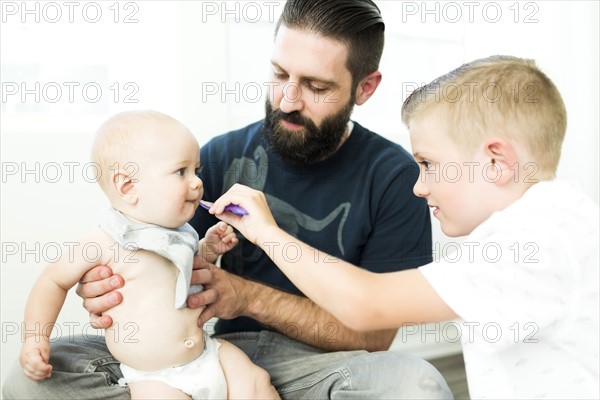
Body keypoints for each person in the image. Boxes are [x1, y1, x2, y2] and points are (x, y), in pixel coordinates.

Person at [3, 1, 453, 399]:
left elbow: (375, 336)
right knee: (32, 380)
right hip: (207, 351)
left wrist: (245, 296)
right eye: (279, 75)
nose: (288, 100)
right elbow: (153, 262)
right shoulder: (215, 157)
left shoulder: (396, 177)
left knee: (417, 385)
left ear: (365, 88)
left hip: (318, 367)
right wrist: (108, 290)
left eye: (316, 86)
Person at [208, 56, 600, 399]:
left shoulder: (534, 240)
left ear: (496, 163)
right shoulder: (556, 220)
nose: (419, 186)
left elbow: (367, 306)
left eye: (427, 164)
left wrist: (265, 231)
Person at [15, 110, 280, 400]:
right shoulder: (105, 242)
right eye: (181, 172)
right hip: (156, 379)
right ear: (128, 186)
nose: (197, 183)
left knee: (256, 381)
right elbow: (52, 281)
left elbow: (190, 276)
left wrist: (209, 248)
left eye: (197, 171)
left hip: (208, 354)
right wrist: (35, 338)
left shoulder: (182, 232)